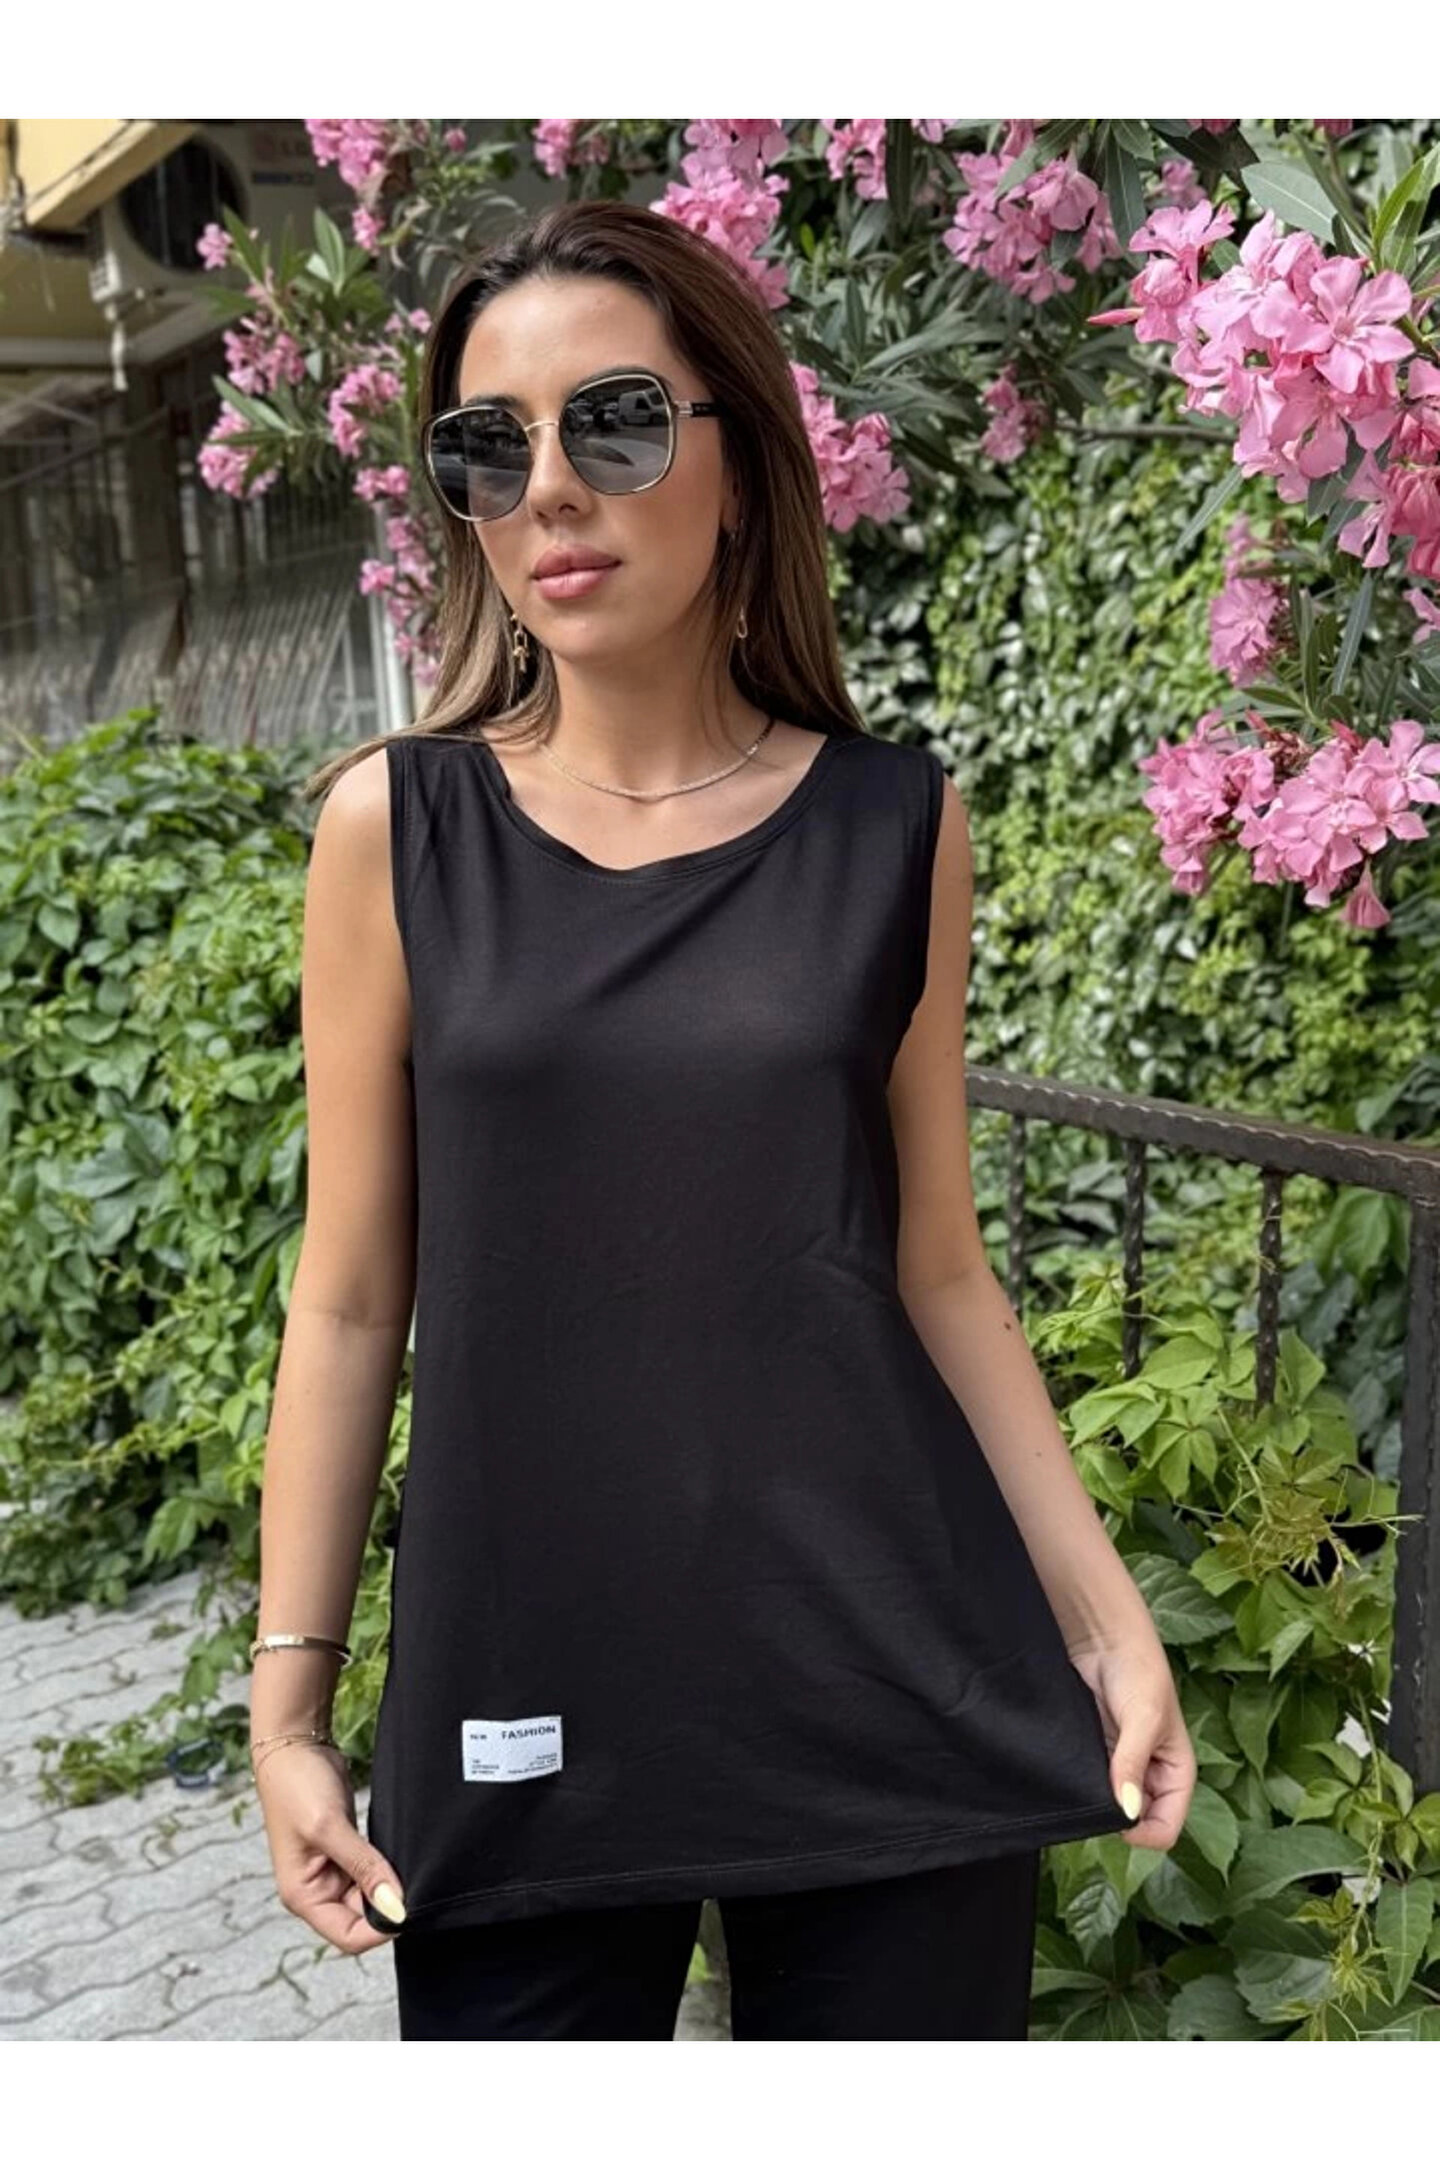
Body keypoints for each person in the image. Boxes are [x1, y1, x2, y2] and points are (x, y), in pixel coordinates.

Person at [249, 198, 1196, 2042]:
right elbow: (351, 1297)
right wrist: (290, 1706)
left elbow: (938, 1270)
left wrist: (1104, 1622)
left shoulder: (893, 827)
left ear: (740, 463)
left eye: (612, 424)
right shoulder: (393, 830)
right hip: (521, 1695)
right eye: (487, 447)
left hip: (890, 1682)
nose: (548, 489)